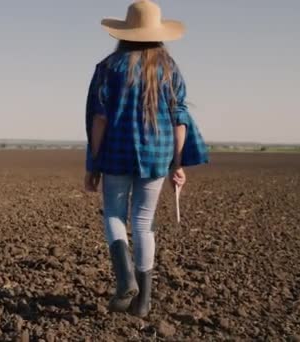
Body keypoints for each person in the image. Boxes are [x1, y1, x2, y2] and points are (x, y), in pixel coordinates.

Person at [84, 0, 208, 318]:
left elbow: (99, 120)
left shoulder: (108, 67)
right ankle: (143, 303)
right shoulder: (169, 69)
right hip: (157, 155)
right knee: (143, 223)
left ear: (124, 32)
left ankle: (125, 279)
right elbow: (180, 121)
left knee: (113, 213)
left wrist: (93, 163)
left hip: (115, 153)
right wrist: (177, 164)